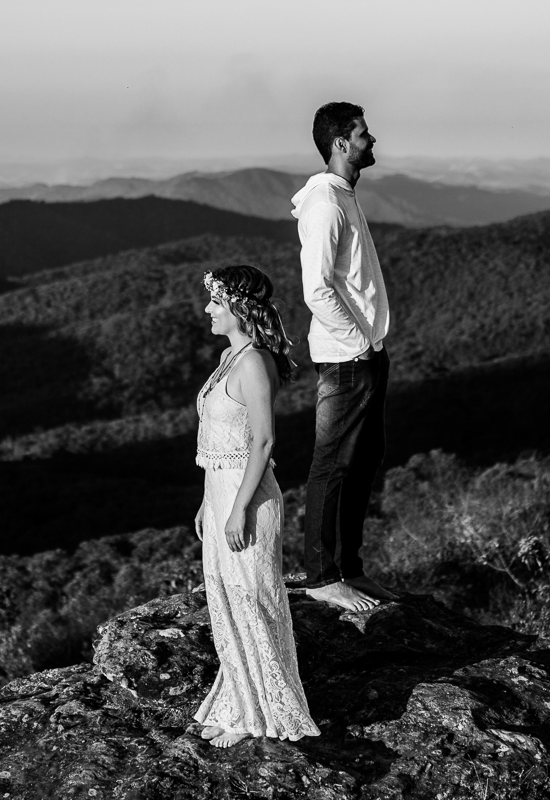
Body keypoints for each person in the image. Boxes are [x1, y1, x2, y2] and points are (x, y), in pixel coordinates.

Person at [192, 265, 320, 748]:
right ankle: (236, 702)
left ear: (238, 308)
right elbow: (220, 442)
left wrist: (239, 509)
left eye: (216, 302)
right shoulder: (229, 356)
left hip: (249, 499)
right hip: (221, 493)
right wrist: (209, 503)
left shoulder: (253, 364)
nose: (208, 309)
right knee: (226, 600)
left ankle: (260, 713)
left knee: (254, 601)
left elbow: (263, 442)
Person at [290, 101, 395, 613]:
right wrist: (358, 342)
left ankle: (349, 568)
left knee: (362, 462)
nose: (371, 141)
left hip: (365, 353)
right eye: (363, 134)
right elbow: (315, 288)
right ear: (340, 143)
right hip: (346, 357)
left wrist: (371, 346)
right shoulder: (326, 204)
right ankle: (321, 578)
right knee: (332, 465)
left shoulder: (343, 195)